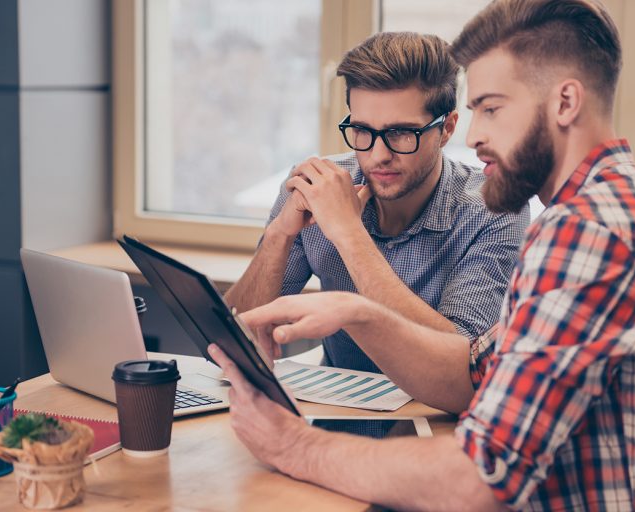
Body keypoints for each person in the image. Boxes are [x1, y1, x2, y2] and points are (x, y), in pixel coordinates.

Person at [210, 0, 635, 509]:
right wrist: (355, 310)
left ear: (564, 103)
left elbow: (481, 479)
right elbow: (475, 372)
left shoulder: (588, 233)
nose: (474, 136)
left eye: (490, 108)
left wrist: (291, 444)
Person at [224, 32, 529, 383]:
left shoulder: (497, 209)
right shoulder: (317, 188)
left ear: (446, 129)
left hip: (434, 431)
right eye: (362, 130)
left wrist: (348, 233)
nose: (378, 155)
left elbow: (461, 365)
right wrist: (279, 235)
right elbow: (229, 346)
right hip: (333, 425)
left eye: (401, 133)